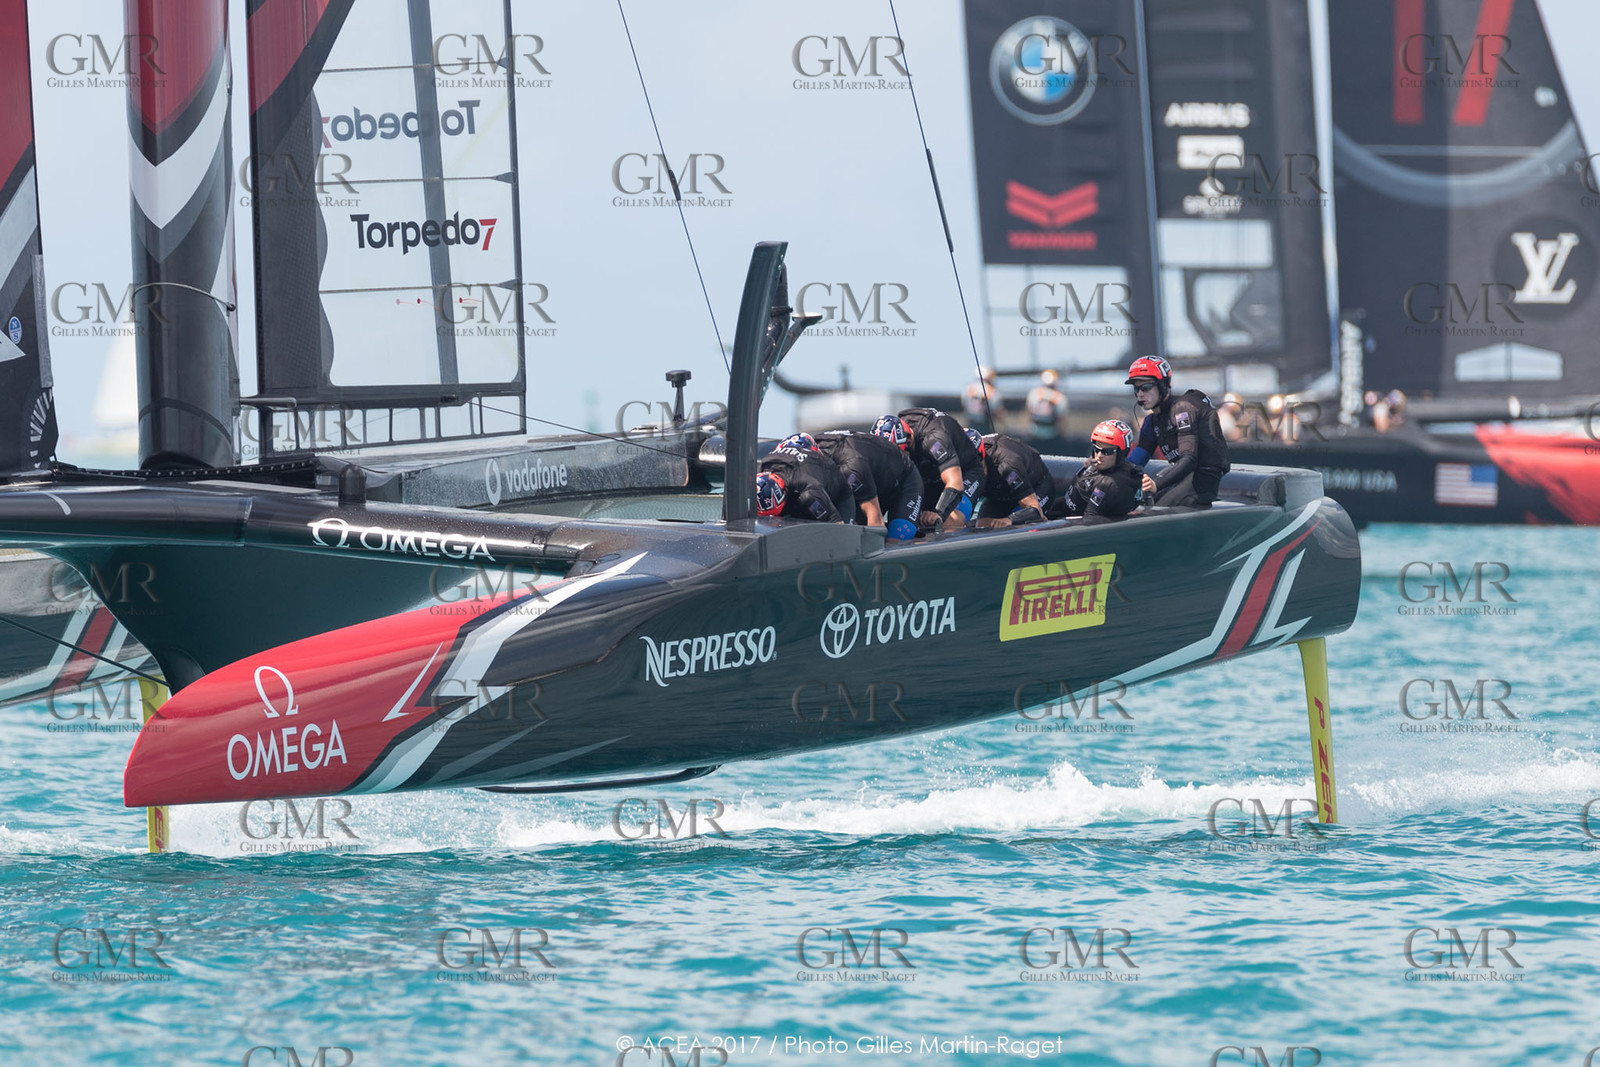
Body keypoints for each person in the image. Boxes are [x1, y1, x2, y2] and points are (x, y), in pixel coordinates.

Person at [1123, 355, 1231, 507]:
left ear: (1162, 385)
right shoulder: (1151, 421)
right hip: (1182, 477)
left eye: (1145, 387)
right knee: (1141, 501)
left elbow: (1189, 459)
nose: (1140, 393)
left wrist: (1156, 484)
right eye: (1136, 388)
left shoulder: (1182, 409)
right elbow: (1134, 463)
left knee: (1156, 510)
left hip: (1203, 477)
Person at [879, 408, 983, 530]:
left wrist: (939, 514)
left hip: (963, 473)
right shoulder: (899, 439)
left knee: (949, 521)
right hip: (929, 475)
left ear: (908, 439)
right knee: (907, 525)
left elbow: (955, 483)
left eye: (900, 454)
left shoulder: (934, 439)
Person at [814, 429, 922, 541]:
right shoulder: (812, 461)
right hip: (868, 475)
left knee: (897, 535)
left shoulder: (852, 467)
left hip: (903, 479)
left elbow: (875, 519)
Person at [969, 428, 1058, 529]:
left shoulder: (1006, 466)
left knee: (1022, 522)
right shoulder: (958, 470)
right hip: (1000, 495)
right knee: (982, 525)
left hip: (1036, 487)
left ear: (981, 455)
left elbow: (1035, 511)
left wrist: (1009, 520)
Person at [756, 434, 854, 522]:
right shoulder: (761, 468)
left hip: (837, 495)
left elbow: (837, 524)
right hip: (801, 473)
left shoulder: (809, 491)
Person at [1062, 420, 1144, 522]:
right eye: (1096, 449)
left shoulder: (1109, 484)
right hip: (1065, 512)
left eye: (1107, 451)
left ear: (1121, 453)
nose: (1099, 455)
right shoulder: (1096, 465)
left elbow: (1089, 520)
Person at [1024, 369, 1066, 439]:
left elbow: (1028, 414)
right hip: (1052, 435)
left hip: (1034, 433)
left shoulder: (1033, 394)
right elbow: (1062, 420)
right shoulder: (1060, 397)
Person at [961, 366, 1001, 433]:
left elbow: (964, 403)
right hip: (985, 423)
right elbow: (995, 406)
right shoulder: (990, 389)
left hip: (971, 422)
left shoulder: (969, 388)